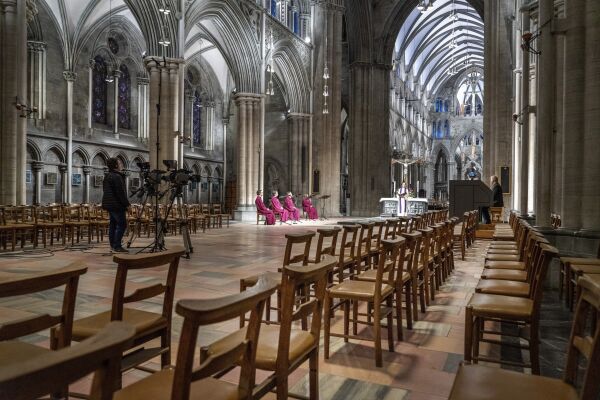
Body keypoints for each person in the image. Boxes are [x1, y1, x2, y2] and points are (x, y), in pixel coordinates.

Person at [102, 158, 130, 252]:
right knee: (122, 224)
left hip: (109, 204)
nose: (121, 164)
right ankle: (117, 245)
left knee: (113, 225)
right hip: (117, 205)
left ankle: (113, 245)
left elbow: (105, 190)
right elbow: (121, 193)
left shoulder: (107, 176)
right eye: (120, 163)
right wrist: (127, 204)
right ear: (116, 165)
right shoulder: (117, 176)